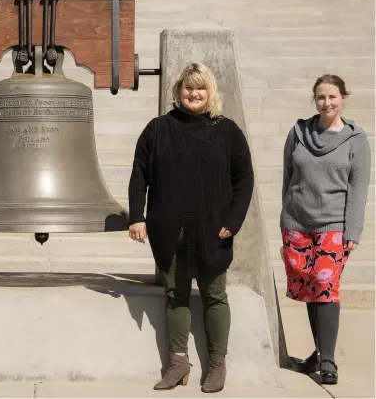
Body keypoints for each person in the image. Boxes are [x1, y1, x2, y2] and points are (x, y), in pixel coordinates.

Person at [127, 63, 254, 393]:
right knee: (175, 297)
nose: (194, 93)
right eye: (188, 87)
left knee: (214, 296)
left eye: (200, 88)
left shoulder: (226, 131)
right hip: (169, 230)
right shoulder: (157, 129)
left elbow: (245, 180)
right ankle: (178, 362)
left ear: (210, 92)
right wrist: (136, 216)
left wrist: (234, 220)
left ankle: (216, 364)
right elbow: (139, 175)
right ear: (178, 91)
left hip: (214, 231)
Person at [280, 74, 370, 385]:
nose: (326, 102)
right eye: (321, 97)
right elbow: (287, 177)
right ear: (314, 99)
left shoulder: (355, 140)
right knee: (309, 287)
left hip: (333, 224)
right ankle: (318, 353)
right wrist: (286, 218)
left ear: (343, 98)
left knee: (325, 283)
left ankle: (328, 361)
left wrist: (352, 231)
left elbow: (358, 189)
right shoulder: (299, 132)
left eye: (332, 97)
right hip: (297, 224)